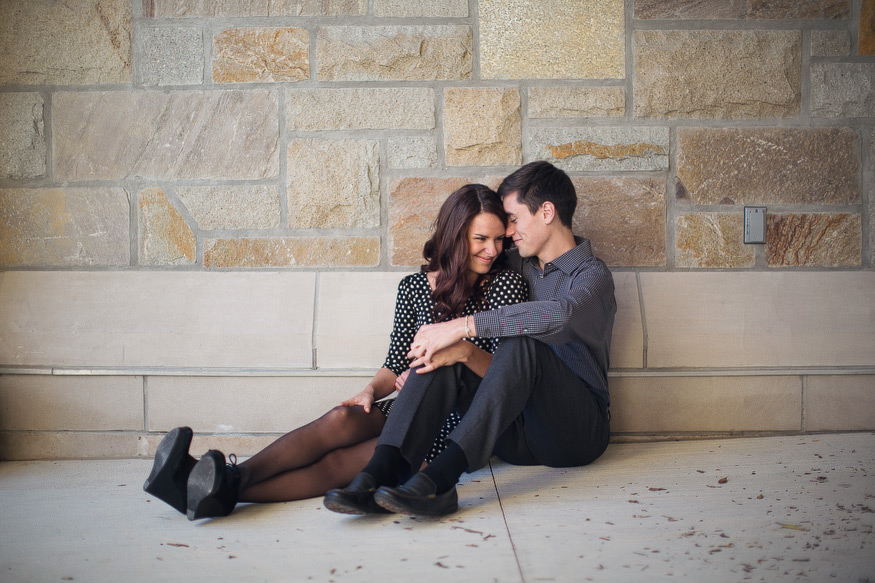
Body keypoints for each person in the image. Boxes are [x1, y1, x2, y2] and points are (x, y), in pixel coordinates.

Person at [143, 183, 529, 520]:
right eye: (481, 239)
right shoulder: (413, 287)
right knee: (342, 418)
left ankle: (216, 489)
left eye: (498, 239)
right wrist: (370, 391)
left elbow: (507, 376)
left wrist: (458, 354)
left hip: (456, 417)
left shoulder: (506, 285)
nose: (492, 250)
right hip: (408, 401)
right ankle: (223, 481)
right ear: (455, 235)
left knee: (341, 463)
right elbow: (395, 361)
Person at [324, 161, 616, 517]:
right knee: (444, 353)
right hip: (515, 432)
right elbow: (462, 254)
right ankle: (381, 472)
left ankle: (439, 480)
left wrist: (462, 326)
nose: (506, 233)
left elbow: (560, 315)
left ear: (546, 212)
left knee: (522, 342)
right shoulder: (515, 263)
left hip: (577, 432)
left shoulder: (592, 276)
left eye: (512, 219)